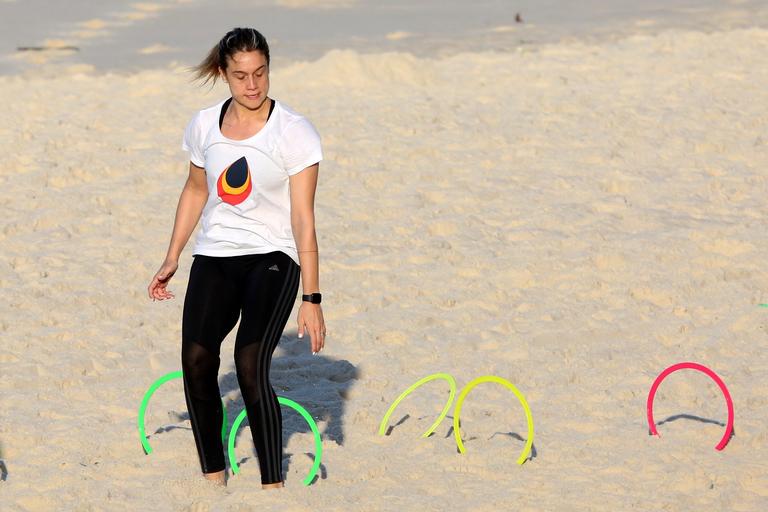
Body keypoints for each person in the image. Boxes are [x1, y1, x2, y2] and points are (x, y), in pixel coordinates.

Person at [147, 27, 326, 489]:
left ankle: (272, 484)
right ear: (223, 74)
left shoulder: (293, 131)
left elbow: (303, 218)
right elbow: (194, 189)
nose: (253, 85)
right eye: (241, 75)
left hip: (274, 258)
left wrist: (312, 296)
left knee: (249, 362)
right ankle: (213, 477)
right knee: (197, 359)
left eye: (261, 73)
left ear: (269, 69)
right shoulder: (204, 124)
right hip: (216, 255)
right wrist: (173, 255)